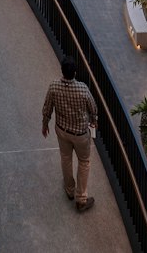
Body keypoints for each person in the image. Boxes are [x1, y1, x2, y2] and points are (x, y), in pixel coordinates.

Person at [42, 55, 98, 213]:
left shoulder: (54, 87)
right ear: (74, 72)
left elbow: (47, 108)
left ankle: (69, 189)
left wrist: (44, 124)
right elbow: (93, 108)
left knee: (66, 159)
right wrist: (94, 121)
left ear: (62, 71)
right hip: (80, 134)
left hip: (62, 130)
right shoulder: (82, 89)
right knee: (84, 162)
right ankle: (81, 198)